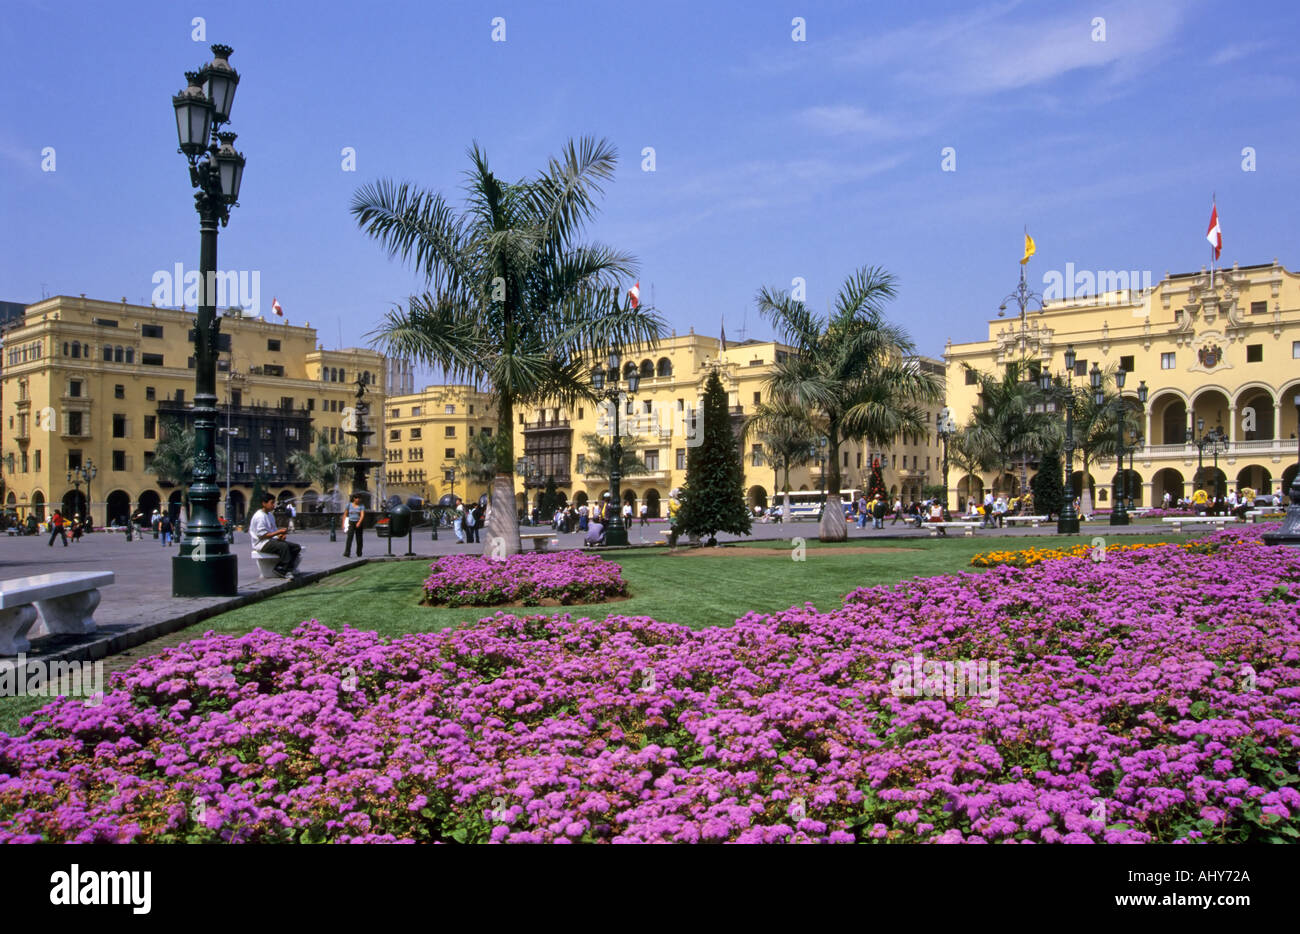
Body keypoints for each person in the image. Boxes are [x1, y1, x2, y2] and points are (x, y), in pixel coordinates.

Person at [250, 491, 301, 579]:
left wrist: (279, 536)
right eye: (272, 503)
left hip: (270, 541)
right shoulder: (259, 516)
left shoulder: (270, 515)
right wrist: (279, 532)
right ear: (264, 503)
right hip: (261, 543)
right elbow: (262, 535)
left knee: (296, 547)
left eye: (274, 502)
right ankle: (282, 569)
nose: (274, 505)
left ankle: (285, 568)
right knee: (283, 547)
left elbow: (272, 531)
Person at [343, 493, 366, 557]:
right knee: (349, 538)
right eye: (357, 498)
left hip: (358, 522)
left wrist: (359, 522)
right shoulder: (349, 505)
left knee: (359, 539)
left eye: (359, 498)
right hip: (351, 522)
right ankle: (347, 552)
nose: (358, 500)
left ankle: (359, 552)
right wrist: (344, 524)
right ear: (354, 499)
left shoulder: (361, 506)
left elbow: (362, 515)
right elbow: (345, 514)